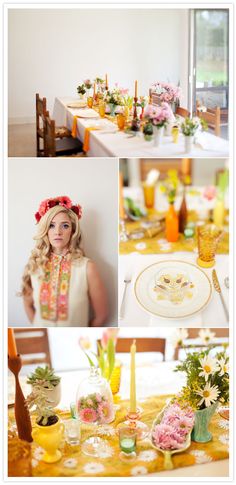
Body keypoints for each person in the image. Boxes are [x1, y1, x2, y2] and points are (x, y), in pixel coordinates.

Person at [21, 196, 108, 327]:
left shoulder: (87, 268)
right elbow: (27, 305)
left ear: (72, 231)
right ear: (45, 230)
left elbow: (101, 316)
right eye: (51, 225)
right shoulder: (35, 264)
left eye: (65, 226)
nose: (57, 232)